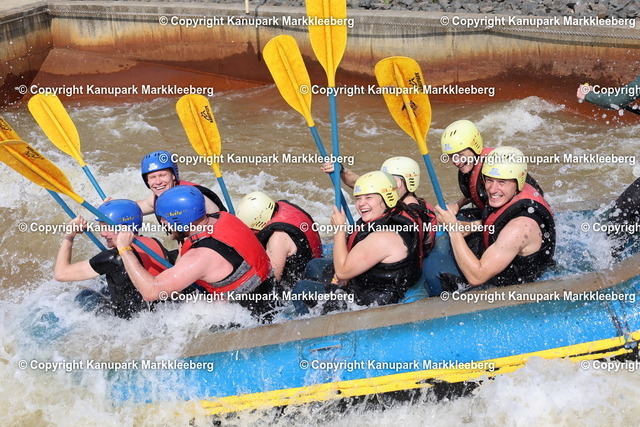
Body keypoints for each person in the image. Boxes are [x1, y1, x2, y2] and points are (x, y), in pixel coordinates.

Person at [115, 185, 275, 320]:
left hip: (251, 319)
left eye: (164, 219)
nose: (162, 223)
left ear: (179, 219)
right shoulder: (223, 217)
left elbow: (150, 291)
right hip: (269, 296)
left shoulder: (200, 256)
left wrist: (124, 249)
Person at [291, 171, 422, 314]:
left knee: (301, 290)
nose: (361, 203)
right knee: (315, 265)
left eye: (369, 197)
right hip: (368, 281)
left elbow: (342, 272)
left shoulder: (383, 237)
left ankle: (312, 324)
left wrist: (339, 230)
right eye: (358, 198)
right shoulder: (394, 212)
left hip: (372, 298)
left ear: (388, 198)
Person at [434, 147, 556, 289]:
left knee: (438, 276)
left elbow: (477, 277)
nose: (492, 189)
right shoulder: (509, 195)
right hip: (501, 251)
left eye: (502, 182)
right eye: (489, 180)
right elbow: (500, 220)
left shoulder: (519, 228)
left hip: (514, 286)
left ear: (518, 182)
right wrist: (473, 226)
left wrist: (453, 227)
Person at [53, 199, 173, 319]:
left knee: (84, 295)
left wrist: (69, 235)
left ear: (125, 228)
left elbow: (61, 274)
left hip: (127, 322)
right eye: (101, 227)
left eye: (107, 227)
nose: (102, 234)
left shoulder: (113, 258)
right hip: (159, 313)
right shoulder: (153, 242)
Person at [323, 156, 437, 255]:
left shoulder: (411, 213)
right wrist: (342, 170)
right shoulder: (394, 201)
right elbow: (359, 183)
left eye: (390, 180)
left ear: (407, 182)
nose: (385, 185)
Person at [440, 120, 543, 218]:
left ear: (474, 146)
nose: (456, 162)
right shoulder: (469, 166)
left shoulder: (497, 166)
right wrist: (457, 205)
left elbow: (506, 214)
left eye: (460, 155)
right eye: (451, 156)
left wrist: (463, 225)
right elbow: (476, 191)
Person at [236, 191, 323, 289]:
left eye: (251, 230)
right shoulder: (282, 210)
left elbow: (271, 282)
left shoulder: (278, 238)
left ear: (258, 224)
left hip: (303, 286)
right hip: (315, 262)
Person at [137, 150, 227, 220]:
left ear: (173, 176)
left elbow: (217, 224)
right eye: (152, 177)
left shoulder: (195, 196)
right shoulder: (155, 200)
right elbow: (133, 209)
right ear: (147, 181)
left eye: (162, 175)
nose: (158, 182)